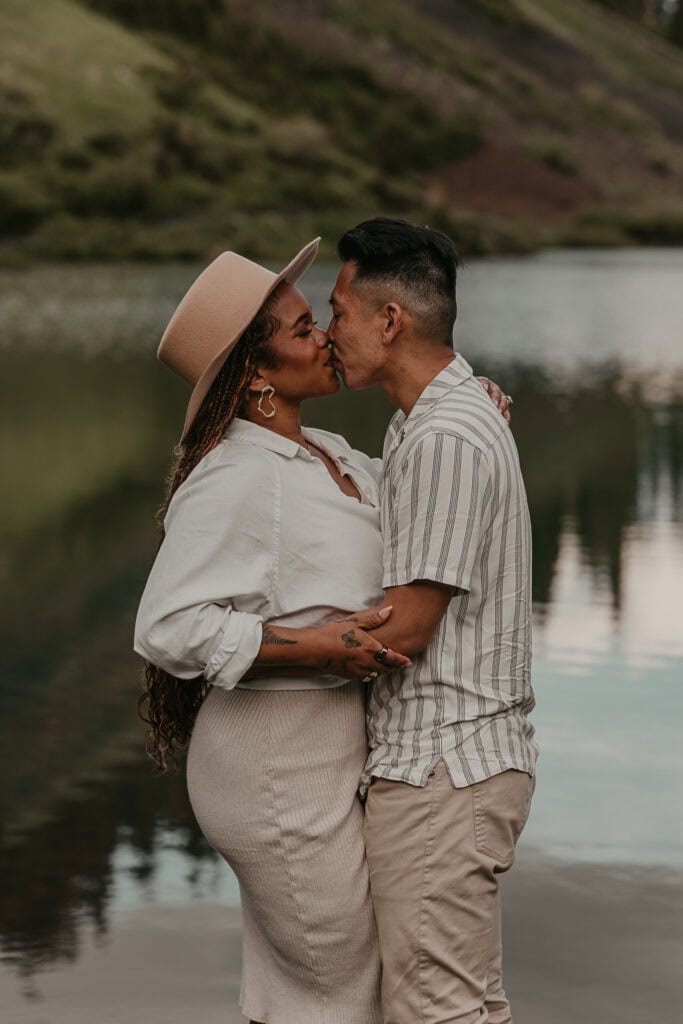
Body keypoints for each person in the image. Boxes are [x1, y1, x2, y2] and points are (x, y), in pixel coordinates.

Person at [133, 236, 511, 1024]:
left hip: (331, 751)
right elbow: (167, 627)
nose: (326, 338)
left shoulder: (331, 455)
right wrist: (312, 647)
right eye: (305, 329)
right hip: (275, 760)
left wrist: (467, 407)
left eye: (321, 319)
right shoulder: (237, 476)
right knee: (342, 985)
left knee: (324, 983)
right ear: (257, 374)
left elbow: (423, 503)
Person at [326, 217, 539, 1024]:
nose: (329, 328)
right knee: (463, 1007)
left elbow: (406, 628)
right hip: (454, 765)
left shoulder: (446, 431)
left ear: (390, 321)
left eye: (340, 310)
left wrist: (247, 651)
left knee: (435, 1011)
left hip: (443, 767)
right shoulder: (430, 418)